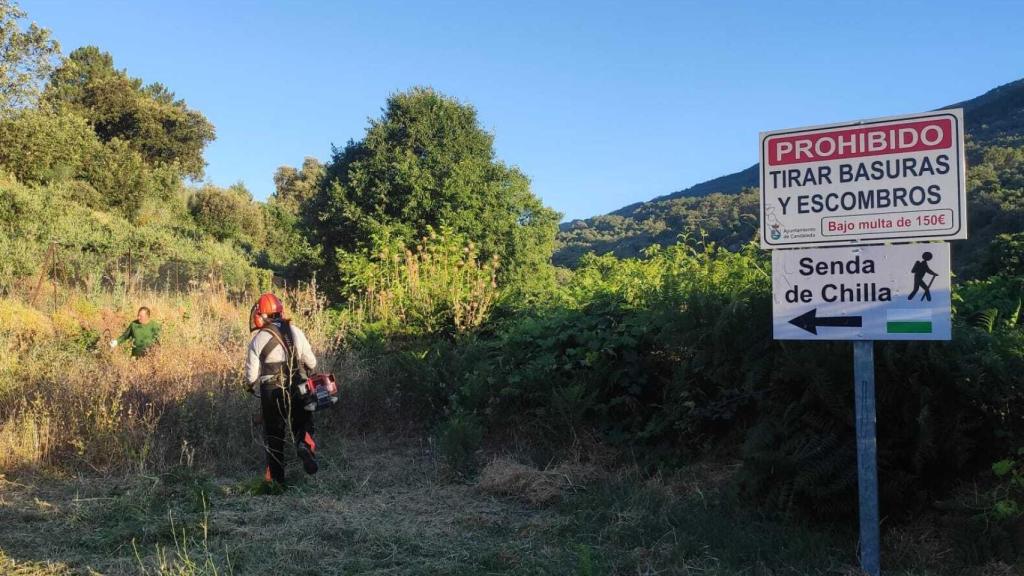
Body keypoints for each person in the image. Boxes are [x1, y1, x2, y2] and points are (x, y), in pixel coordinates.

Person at [245, 292, 319, 484]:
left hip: (271, 390)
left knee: (274, 435)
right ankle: (304, 444)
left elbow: (251, 377)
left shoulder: (258, 339)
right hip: (297, 385)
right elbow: (311, 362)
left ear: (261, 315)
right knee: (303, 421)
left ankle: (278, 482)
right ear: (279, 312)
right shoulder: (295, 331)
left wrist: (251, 387)